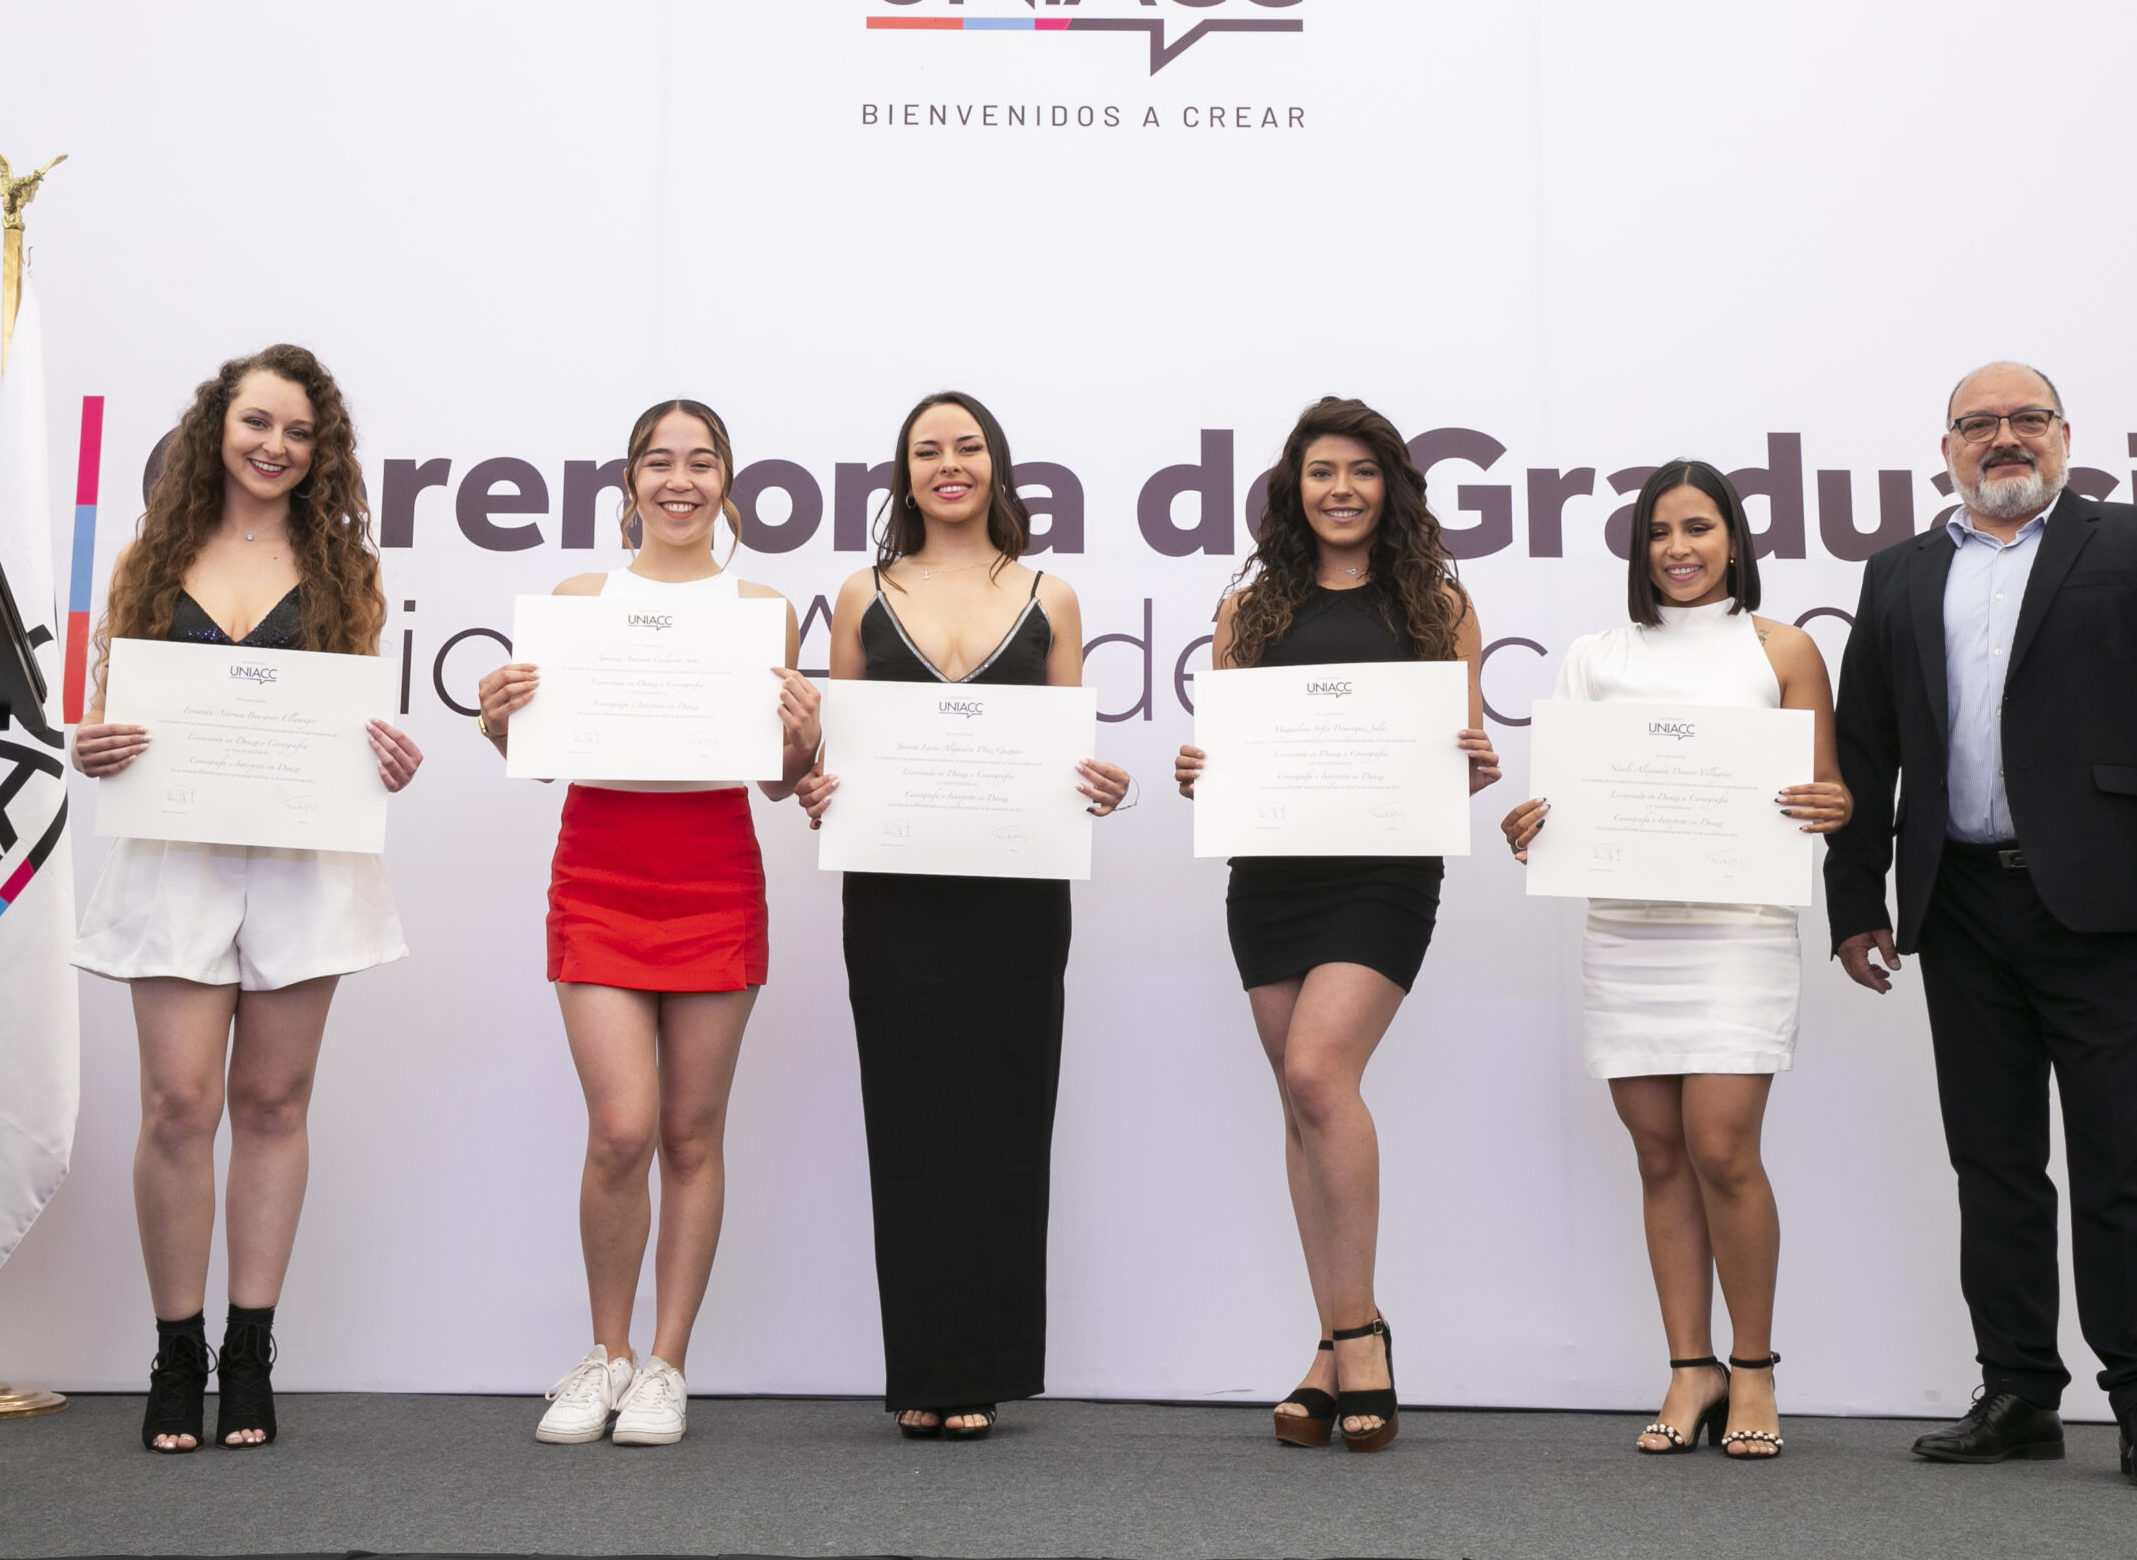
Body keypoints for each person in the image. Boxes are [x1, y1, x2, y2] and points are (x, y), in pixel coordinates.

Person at [1825, 362, 2137, 1493]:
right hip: (1959, 902)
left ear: (2064, 435)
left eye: (2026, 419)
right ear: (1947, 448)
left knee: (2128, 1162)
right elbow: (1864, 745)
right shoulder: (1898, 572)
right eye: (1979, 424)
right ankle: (2017, 1390)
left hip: (2111, 900)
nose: (2003, 437)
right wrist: (1855, 899)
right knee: (1994, 1162)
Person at [71, 345, 425, 1452]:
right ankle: (176, 1353)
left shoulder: (344, 570)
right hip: (174, 856)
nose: (276, 446)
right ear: (215, 428)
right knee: (179, 1104)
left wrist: (387, 760)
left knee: (273, 1103)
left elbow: (352, 722)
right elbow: (107, 712)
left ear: (323, 452)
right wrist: (94, 744)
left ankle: (250, 1350)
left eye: (300, 432)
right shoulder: (146, 558)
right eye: (258, 422)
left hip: (302, 862)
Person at [475, 400, 821, 1447]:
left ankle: (667, 1365)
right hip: (600, 872)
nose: (680, 480)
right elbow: (538, 756)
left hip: (714, 876)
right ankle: (605, 1353)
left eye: (701, 462)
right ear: (630, 480)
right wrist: (499, 723)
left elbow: (776, 781)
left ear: (727, 482)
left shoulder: (762, 609)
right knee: (621, 1128)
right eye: (660, 462)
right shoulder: (581, 602)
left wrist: (803, 741)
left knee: (691, 1133)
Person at [793, 390, 1132, 1440]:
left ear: (996, 465)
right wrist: (818, 782)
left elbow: (1068, 752)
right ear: (904, 473)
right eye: (927, 449)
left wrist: (1099, 787)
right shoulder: (862, 592)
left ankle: (983, 1368)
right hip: (891, 895)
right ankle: (923, 1368)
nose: (949, 463)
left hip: (1017, 896)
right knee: (907, 1121)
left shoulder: (1049, 595)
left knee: (1005, 1120)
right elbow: (836, 753)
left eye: (968, 446)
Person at [1500, 460, 1849, 1460]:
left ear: (1734, 540)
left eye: (1698, 527)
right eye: (1658, 531)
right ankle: (1689, 1367)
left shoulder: (1782, 648)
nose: (1678, 548)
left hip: (1738, 928)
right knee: (1658, 1152)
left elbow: (1825, 789)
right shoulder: (1596, 655)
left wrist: (1836, 803)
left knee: (1723, 1148)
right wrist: (1532, 828)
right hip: (1629, 929)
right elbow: (1560, 801)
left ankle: (1753, 1367)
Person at [1173, 397, 1500, 1453]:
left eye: (1361, 470)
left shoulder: (1439, 606)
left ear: (1390, 486)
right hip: (1271, 873)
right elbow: (1229, 747)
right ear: (1293, 489)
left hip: (1383, 874)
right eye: (1322, 471)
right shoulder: (1248, 610)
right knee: (1299, 1103)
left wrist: (1473, 763)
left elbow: (1462, 752)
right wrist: (1203, 769)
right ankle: (1332, 1343)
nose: (1342, 488)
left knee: (1319, 1073)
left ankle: (1359, 1336)